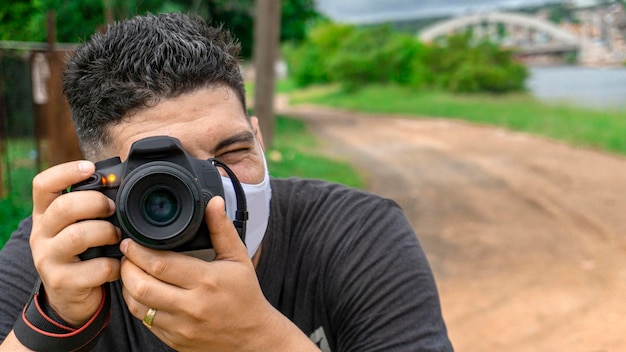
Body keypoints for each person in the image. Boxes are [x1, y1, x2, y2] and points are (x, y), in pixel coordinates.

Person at [0, 12, 453, 352]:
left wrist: (262, 340)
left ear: (257, 138)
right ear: (98, 181)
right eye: (164, 176)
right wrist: (53, 321)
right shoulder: (61, 260)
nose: (209, 193)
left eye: (233, 153)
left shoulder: (354, 233)